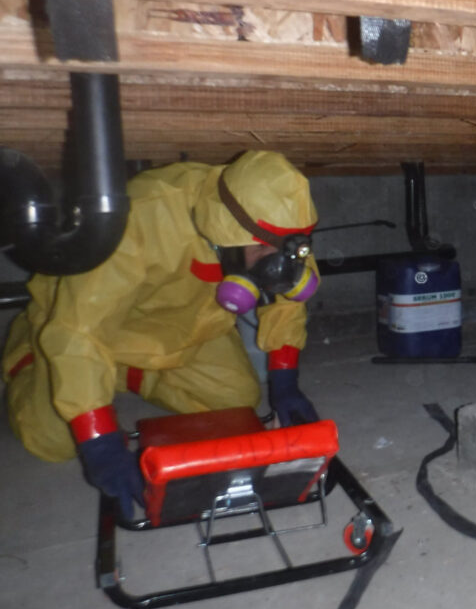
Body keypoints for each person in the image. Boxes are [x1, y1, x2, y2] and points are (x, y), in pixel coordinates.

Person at [1, 150, 321, 518]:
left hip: (181, 331)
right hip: (89, 327)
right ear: (226, 229)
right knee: (53, 440)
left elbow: (288, 292)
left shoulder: (274, 219)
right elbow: (79, 329)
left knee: (236, 401)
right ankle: (27, 355)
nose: (274, 263)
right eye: (264, 248)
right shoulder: (142, 215)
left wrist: (285, 380)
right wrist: (100, 440)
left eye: (285, 249)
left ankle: (123, 374)